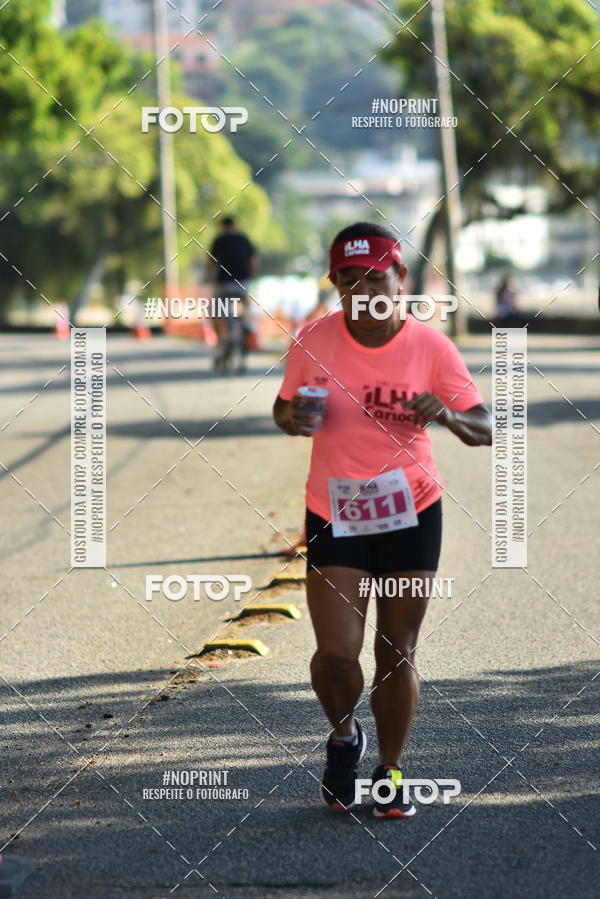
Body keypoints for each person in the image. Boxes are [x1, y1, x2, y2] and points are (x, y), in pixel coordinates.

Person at [273, 222, 492, 819]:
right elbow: (282, 407)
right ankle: (343, 736)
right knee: (337, 655)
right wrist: (293, 418)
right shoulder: (313, 339)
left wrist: (445, 413)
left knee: (397, 651)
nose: (361, 291)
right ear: (336, 285)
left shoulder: (431, 348)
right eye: (347, 281)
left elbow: (485, 429)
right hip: (335, 511)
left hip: (410, 511)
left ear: (400, 279)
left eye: (374, 278)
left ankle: (391, 768)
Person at [206, 216, 258, 372]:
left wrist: (208, 277)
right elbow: (254, 260)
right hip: (243, 284)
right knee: (246, 305)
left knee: (214, 311)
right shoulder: (244, 239)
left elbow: (210, 262)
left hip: (224, 285)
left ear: (223, 227)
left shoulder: (219, 239)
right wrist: (251, 276)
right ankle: (246, 324)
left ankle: (220, 341)